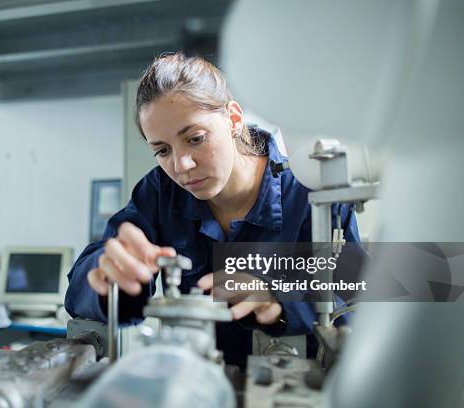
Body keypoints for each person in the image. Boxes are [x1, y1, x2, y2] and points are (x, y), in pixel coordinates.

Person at [65, 52, 360, 368]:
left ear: (234, 118)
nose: (181, 166)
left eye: (195, 139)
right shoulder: (160, 193)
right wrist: (111, 277)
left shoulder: (309, 190)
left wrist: (280, 301)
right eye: (162, 151)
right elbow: (81, 286)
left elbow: (363, 299)